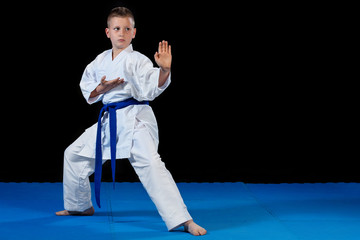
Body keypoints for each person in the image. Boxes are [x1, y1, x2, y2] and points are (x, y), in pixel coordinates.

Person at [55, 7, 207, 236]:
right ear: (108, 32)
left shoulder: (138, 60)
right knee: (73, 155)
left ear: (134, 33)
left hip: (135, 119)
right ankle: (80, 206)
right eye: (117, 28)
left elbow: (151, 86)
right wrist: (101, 89)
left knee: (153, 166)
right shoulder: (100, 60)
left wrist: (164, 70)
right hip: (110, 120)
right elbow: (88, 88)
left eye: (127, 28)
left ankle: (184, 220)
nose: (122, 33)